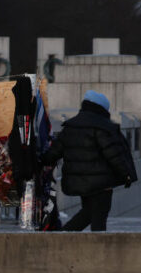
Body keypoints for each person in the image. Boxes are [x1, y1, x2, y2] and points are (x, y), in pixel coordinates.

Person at [41, 90, 136, 232]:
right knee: (98, 218)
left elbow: (55, 151)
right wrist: (126, 174)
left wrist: (42, 159)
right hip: (101, 183)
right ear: (102, 108)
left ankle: (63, 237)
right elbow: (114, 154)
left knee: (87, 213)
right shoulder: (104, 127)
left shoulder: (71, 126)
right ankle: (94, 247)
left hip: (80, 182)